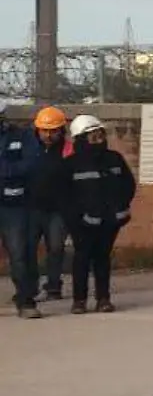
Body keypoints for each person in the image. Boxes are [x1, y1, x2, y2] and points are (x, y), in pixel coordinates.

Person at [45, 115, 134, 314]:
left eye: (100, 134)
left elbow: (128, 185)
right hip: (82, 224)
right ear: (80, 139)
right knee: (82, 259)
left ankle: (103, 299)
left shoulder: (114, 158)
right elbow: (64, 197)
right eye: (92, 135)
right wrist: (78, 219)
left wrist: (121, 209)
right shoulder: (69, 164)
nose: (99, 138)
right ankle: (79, 301)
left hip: (110, 221)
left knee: (102, 259)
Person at [2, 108, 64, 319]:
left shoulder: (21, 137)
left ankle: (26, 299)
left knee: (20, 253)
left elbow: (30, 165)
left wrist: (6, 171)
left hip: (14, 205)